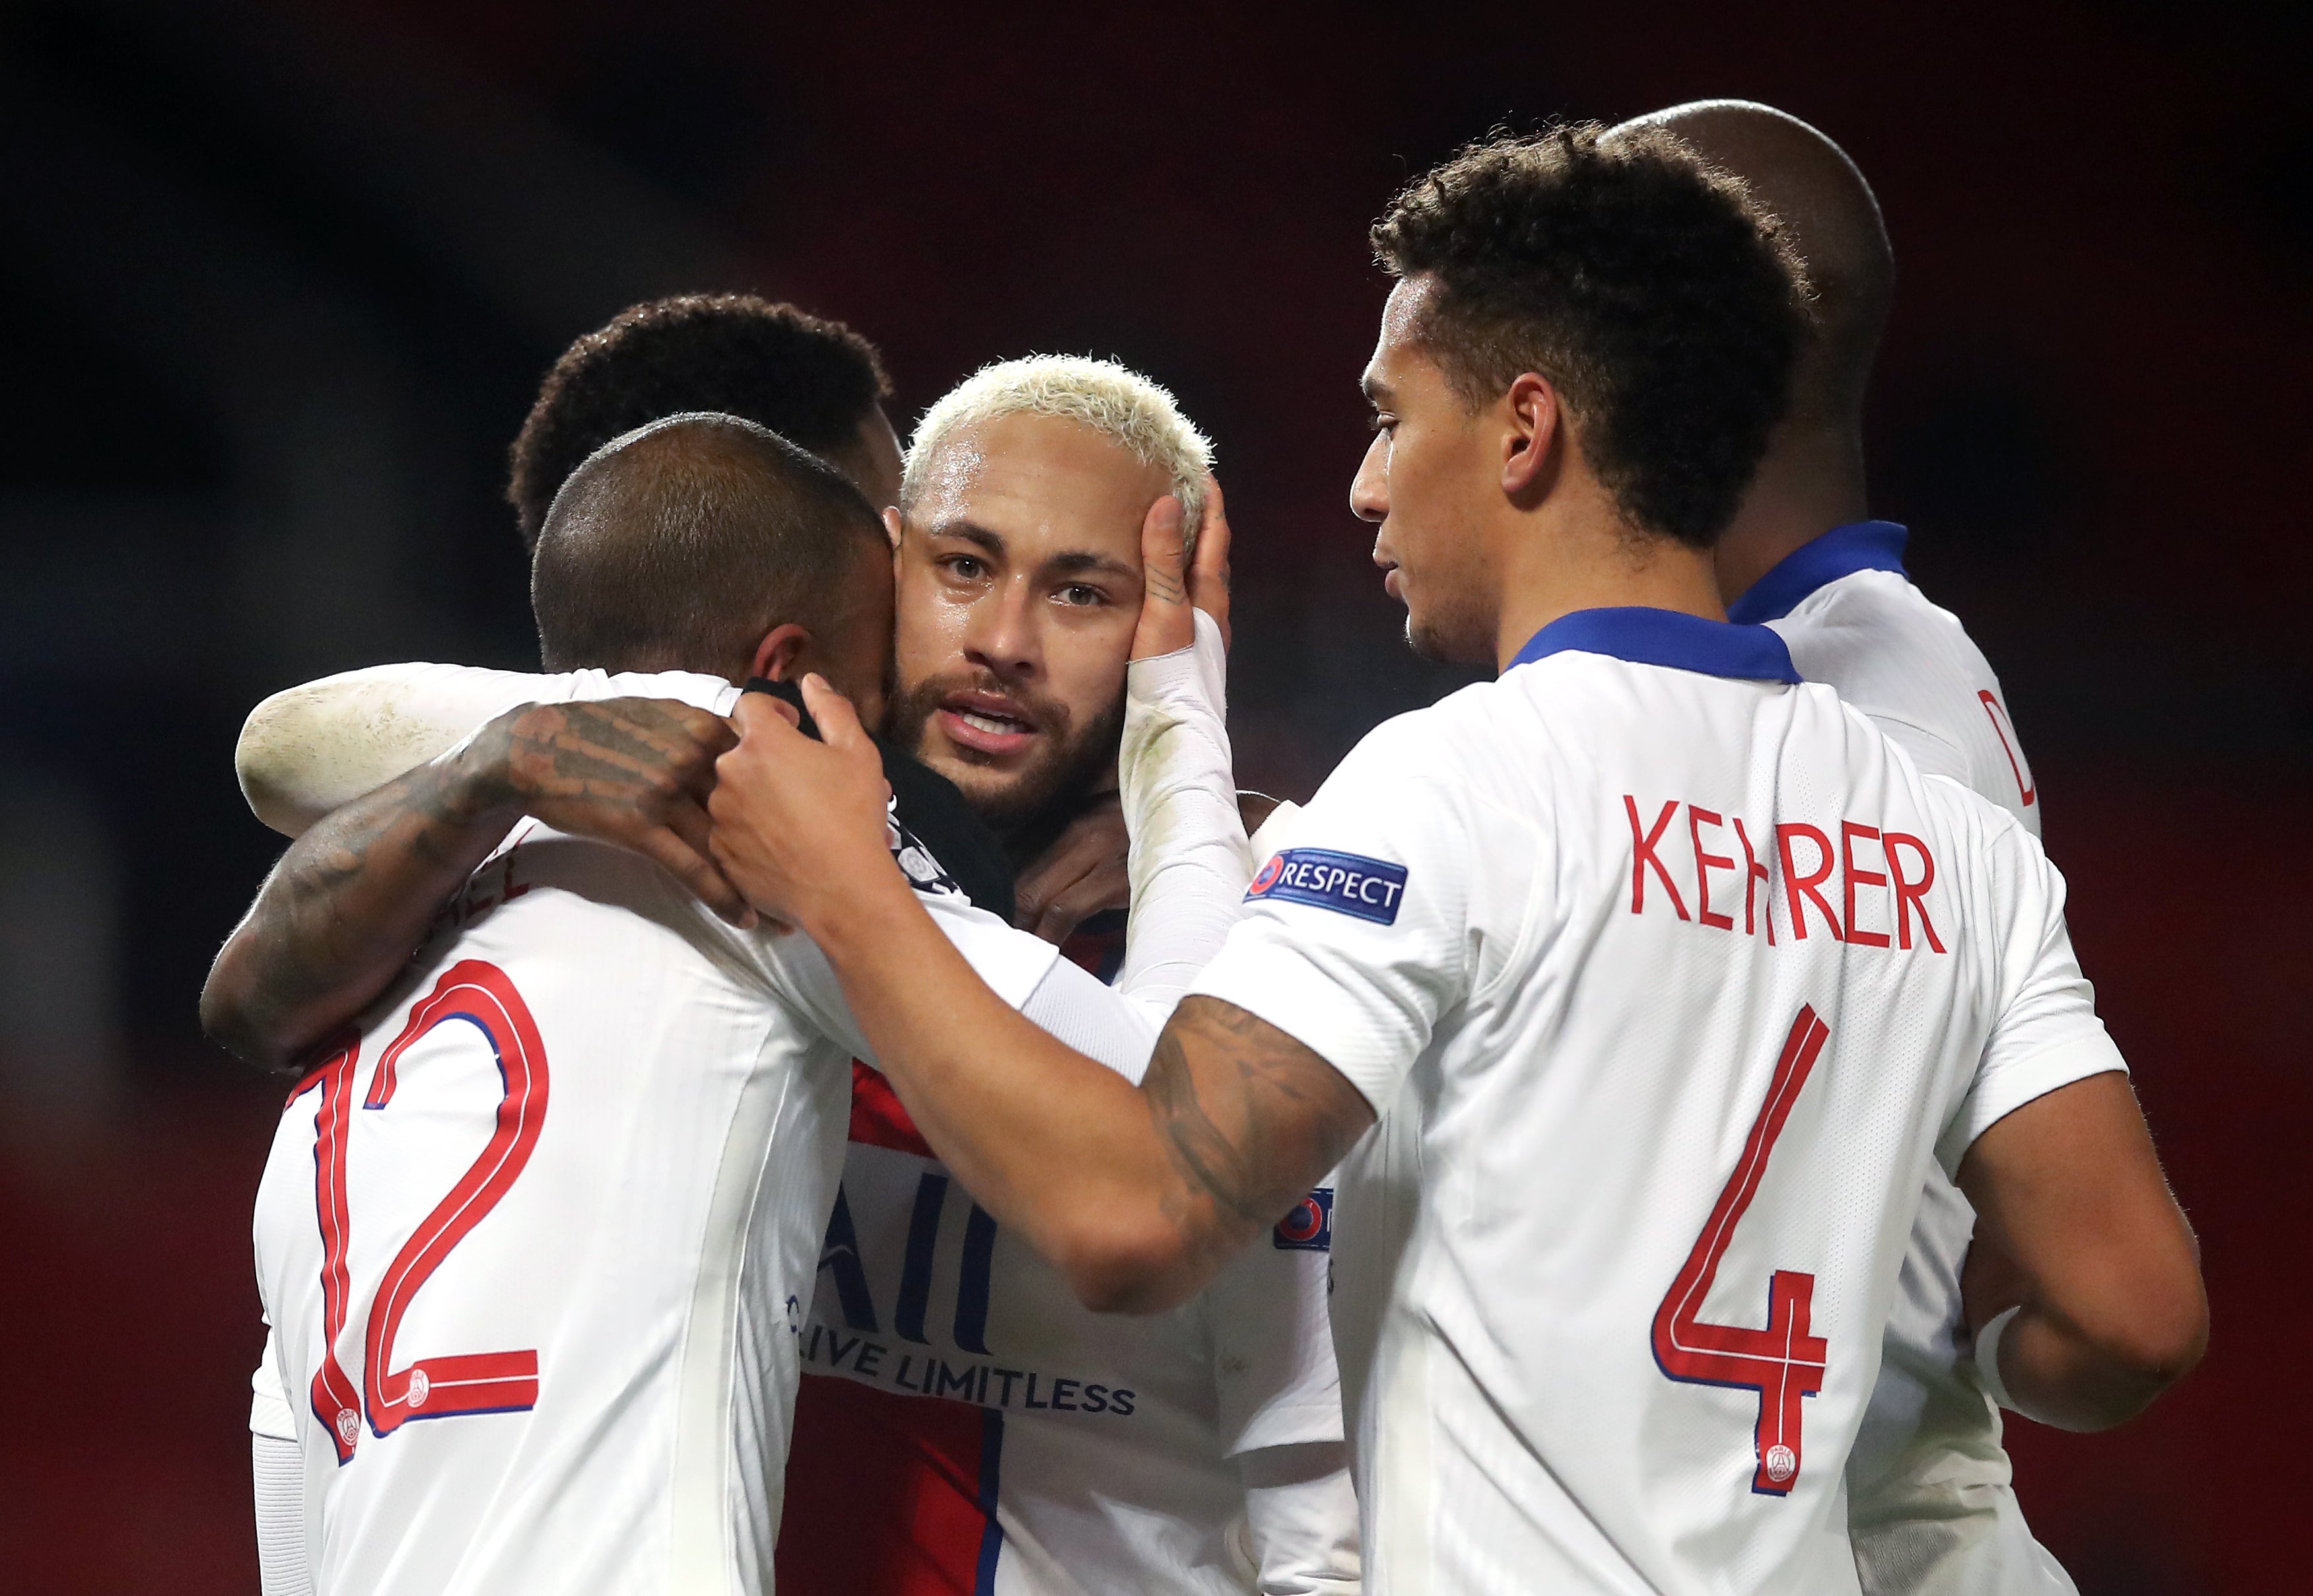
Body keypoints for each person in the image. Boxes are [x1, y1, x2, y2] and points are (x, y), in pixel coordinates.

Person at [698, 125, 2208, 1595]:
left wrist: (847, 889)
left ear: (1525, 431)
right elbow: (2135, 1313)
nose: (1364, 484)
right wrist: (1966, 1359)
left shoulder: (1459, 784)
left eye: (1390, 415)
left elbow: (1135, 1218)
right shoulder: (1951, 840)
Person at [223, 355, 1358, 1593]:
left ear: (1174, 628)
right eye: (961, 568)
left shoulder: (1298, 937)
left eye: (1086, 594)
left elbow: (1322, 1511)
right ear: (884, 569)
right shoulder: (752, 871)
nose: (1002, 642)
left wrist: (1181, 759)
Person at [1611, 99, 2073, 1594]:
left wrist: (1952, 1373)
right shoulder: (1841, 662)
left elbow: (2117, 1293)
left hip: (1860, 1547)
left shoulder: (1860, 719)